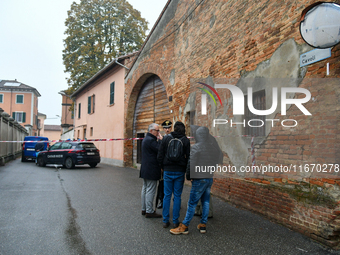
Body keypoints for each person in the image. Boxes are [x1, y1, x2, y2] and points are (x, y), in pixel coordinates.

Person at [170, 126, 221, 235]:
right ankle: (203, 225)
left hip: (198, 178)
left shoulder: (196, 147)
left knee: (192, 203)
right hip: (208, 177)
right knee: (206, 202)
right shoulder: (213, 147)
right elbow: (216, 161)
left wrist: (189, 176)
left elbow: (191, 163)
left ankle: (184, 226)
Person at [157, 121, 190, 228]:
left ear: (174, 128)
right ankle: (175, 221)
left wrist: (162, 167)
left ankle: (165, 220)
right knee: (177, 196)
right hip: (180, 171)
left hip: (168, 170)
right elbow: (189, 157)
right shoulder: (185, 140)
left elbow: (160, 155)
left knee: (167, 195)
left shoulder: (166, 138)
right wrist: (186, 170)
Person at [140, 123, 163, 218]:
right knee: (150, 190)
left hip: (145, 168)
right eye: (157, 130)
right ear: (151, 131)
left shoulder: (147, 139)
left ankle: (144, 209)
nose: (158, 132)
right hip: (151, 169)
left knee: (145, 188)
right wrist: (161, 140)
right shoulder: (151, 140)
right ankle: (149, 211)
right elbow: (160, 149)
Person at [156, 120, 173, 209]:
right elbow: (160, 153)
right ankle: (161, 200)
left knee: (174, 185)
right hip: (164, 166)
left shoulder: (173, 138)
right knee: (162, 184)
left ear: (171, 128)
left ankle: (176, 201)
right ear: (163, 129)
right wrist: (161, 166)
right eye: (165, 128)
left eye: (169, 128)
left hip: (172, 165)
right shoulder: (160, 140)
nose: (167, 130)